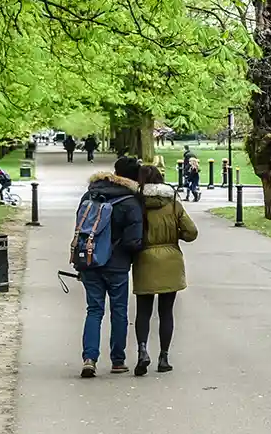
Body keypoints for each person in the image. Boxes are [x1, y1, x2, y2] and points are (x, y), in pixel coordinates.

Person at [72, 155, 146, 377]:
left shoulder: (91, 194)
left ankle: (89, 358)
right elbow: (134, 240)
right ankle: (117, 359)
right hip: (117, 264)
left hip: (90, 260)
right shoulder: (131, 201)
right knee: (119, 311)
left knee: (93, 310)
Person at [132, 164, 197, 375]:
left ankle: (142, 350)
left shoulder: (136, 203)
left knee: (143, 311)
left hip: (144, 258)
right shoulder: (173, 204)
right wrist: (174, 234)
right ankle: (164, 356)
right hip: (170, 259)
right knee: (166, 312)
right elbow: (191, 232)